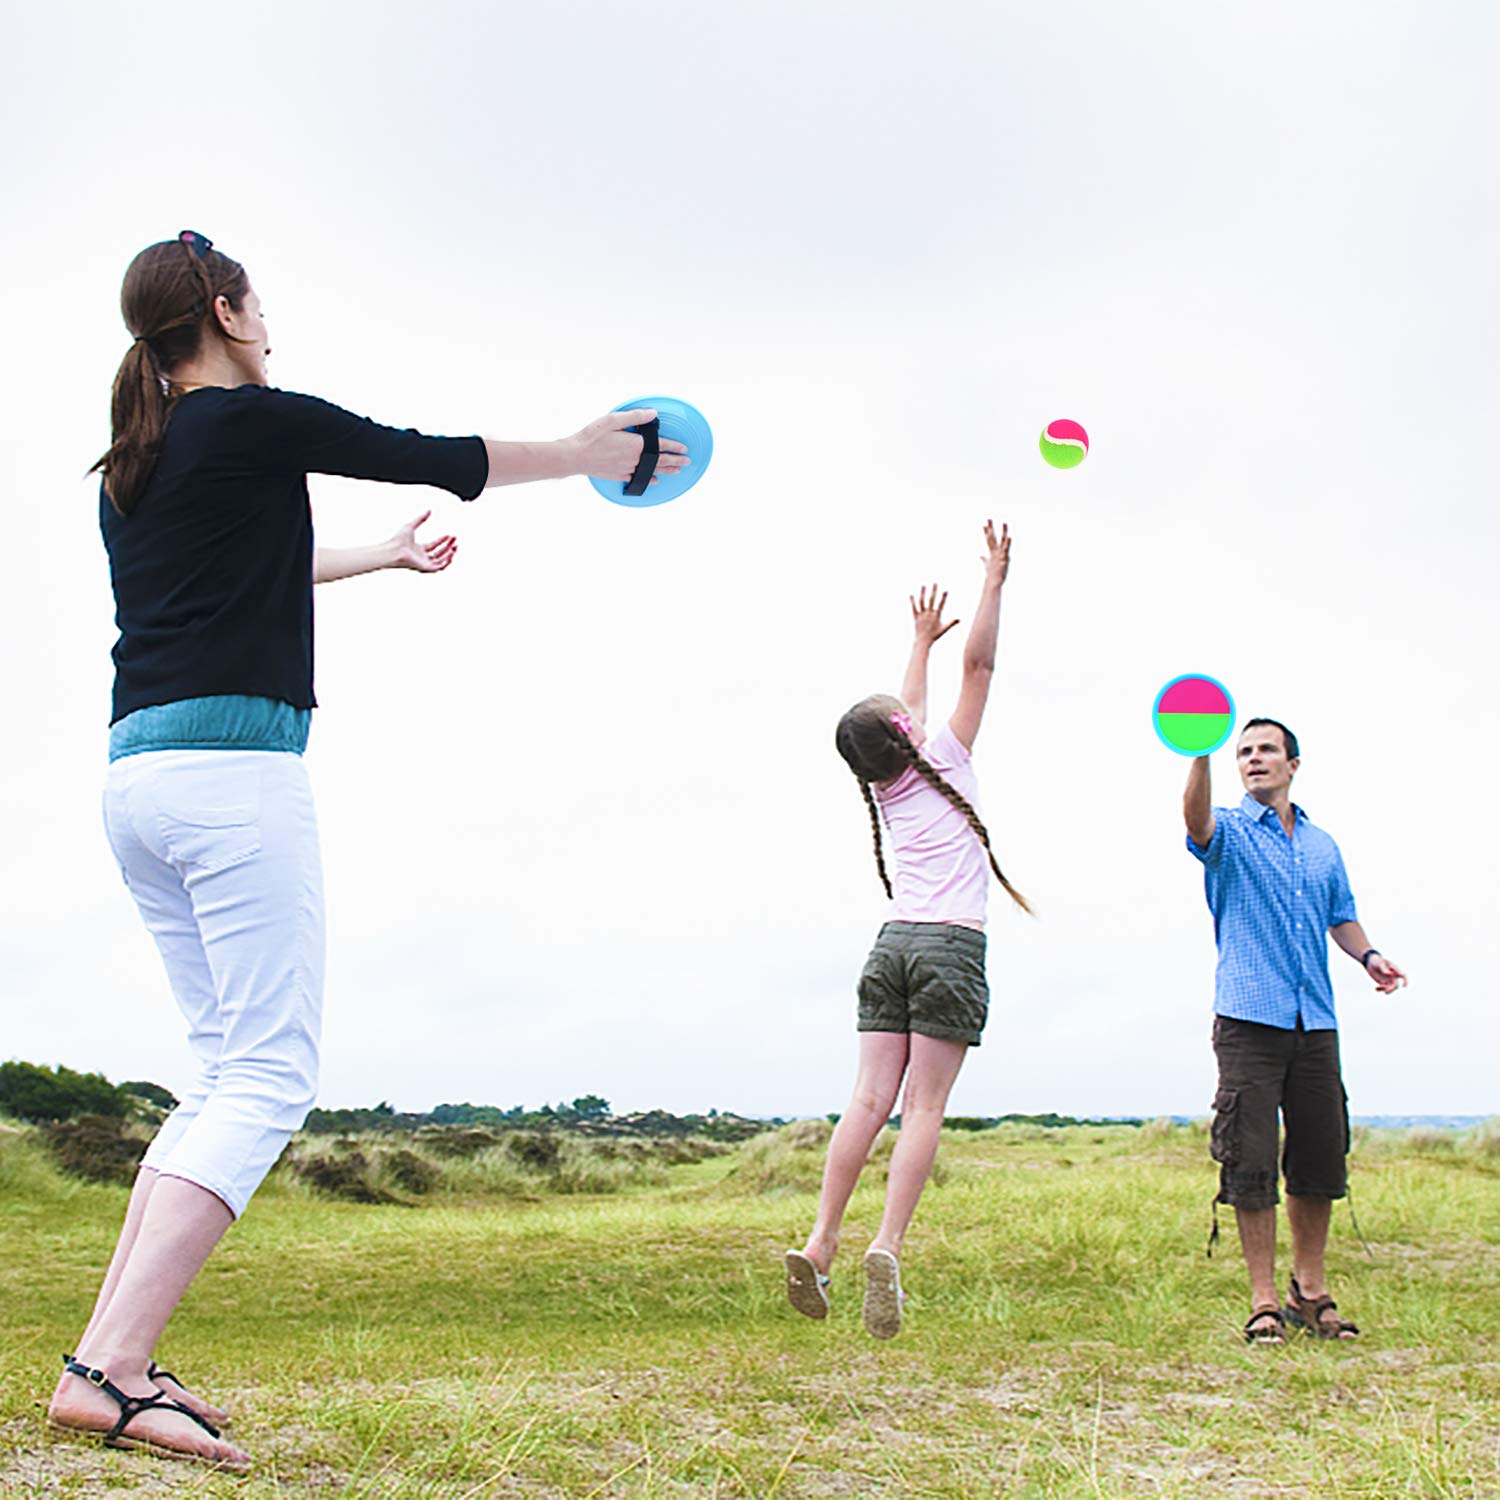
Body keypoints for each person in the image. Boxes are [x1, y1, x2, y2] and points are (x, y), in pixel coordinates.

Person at [46, 230, 690, 1470]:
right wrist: (587, 450)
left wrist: (384, 555)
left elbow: (247, 571)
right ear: (228, 312)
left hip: (141, 782)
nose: (268, 324)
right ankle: (115, 1368)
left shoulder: (134, 460)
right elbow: (432, 457)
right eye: (259, 304)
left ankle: (101, 1361)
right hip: (234, 781)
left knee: (220, 1069)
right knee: (269, 1080)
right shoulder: (253, 418)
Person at [785, 520, 1029, 1339]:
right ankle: (886, 1246)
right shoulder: (949, 757)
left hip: (888, 946)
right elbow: (982, 665)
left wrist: (917, 641)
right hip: (949, 946)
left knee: (866, 1098)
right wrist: (994, 581)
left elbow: (906, 706)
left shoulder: (886, 786)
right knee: (922, 1108)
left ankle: (820, 1242)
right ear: (906, 738)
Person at [1183, 719, 1407, 1345]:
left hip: (1316, 1022)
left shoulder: (1322, 846)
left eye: (1265, 750)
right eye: (1244, 752)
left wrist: (1369, 957)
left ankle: (1310, 1292)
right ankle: (1262, 1303)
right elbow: (1194, 823)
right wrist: (1198, 756)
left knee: (1319, 1157)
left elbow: (1342, 915)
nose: (1253, 760)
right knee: (1249, 1162)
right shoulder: (1226, 830)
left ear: (1293, 764)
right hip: (1249, 1021)